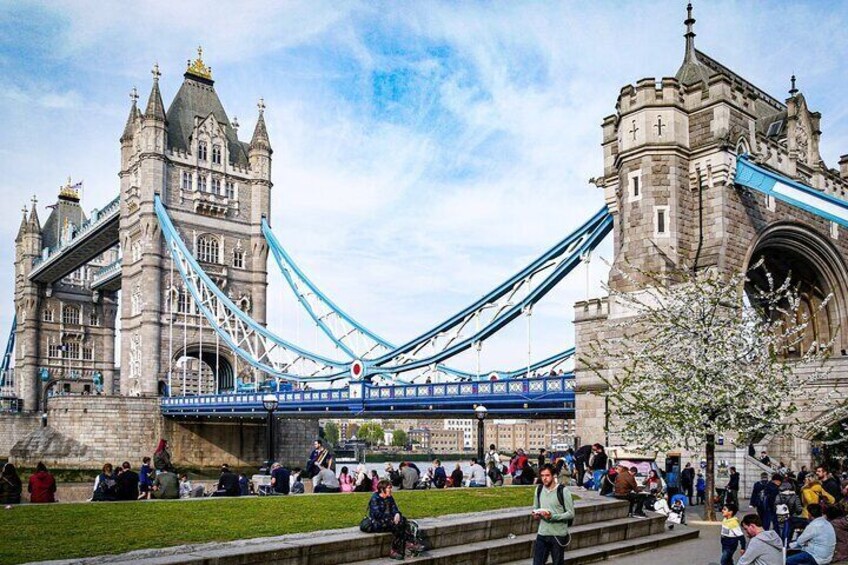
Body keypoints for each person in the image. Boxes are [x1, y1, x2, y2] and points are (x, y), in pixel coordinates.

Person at [531, 463, 575, 565]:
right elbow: (536, 507)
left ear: (553, 476)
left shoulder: (563, 491)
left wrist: (552, 516)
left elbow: (570, 513)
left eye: (547, 475)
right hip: (542, 533)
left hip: (558, 534)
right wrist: (535, 514)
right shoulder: (539, 489)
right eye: (542, 476)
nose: (544, 478)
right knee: (537, 562)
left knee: (558, 562)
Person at [368, 479, 412, 560]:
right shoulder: (375, 498)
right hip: (377, 523)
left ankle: (405, 546)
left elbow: (395, 509)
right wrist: (393, 517)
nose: (391, 490)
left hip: (389, 520)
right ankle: (403, 546)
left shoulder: (390, 498)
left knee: (402, 521)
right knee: (399, 524)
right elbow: (377, 515)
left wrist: (397, 514)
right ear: (382, 489)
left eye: (391, 488)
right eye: (389, 488)